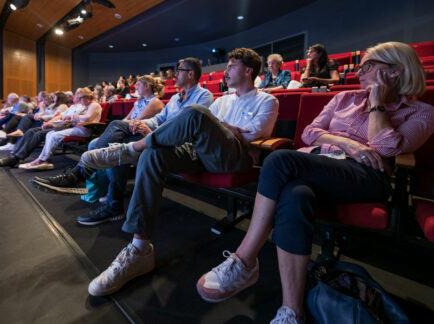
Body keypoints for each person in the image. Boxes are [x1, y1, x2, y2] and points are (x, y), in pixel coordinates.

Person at [196, 41, 434, 323]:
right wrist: (350, 144)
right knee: (295, 194)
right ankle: (291, 311)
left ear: (396, 71)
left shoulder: (422, 112)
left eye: (369, 65)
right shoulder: (344, 98)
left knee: (279, 160)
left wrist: (377, 104)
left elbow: (386, 148)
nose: (359, 71)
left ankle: (245, 259)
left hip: (365, 178)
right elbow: (310, 132)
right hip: (319, 165)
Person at [48, 48, 278, 297]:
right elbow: (208, 129)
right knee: (153, 154)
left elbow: (252, 135)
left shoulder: (266, 100)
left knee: (194, 112)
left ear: (248, 71)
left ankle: (129, 150)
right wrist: (219, 127)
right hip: (200, 151)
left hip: (233, 158)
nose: (226, 70)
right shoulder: (223, 100)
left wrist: (217, 126)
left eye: (232, 66)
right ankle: (139, 250)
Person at [32, 60, 213, 224]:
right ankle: (107, 199)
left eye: (180, 70)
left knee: (113, 137)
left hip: (177, 144)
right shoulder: (175, 98)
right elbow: (159, 118)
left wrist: (151, 131)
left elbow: (185, 126)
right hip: (155, 135)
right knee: (118, 129)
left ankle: (83, 179)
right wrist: (139, 123)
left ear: (191, 74)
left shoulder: (204, 96)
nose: (175, 74)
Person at [18, 88, 102, 170]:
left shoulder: (94, 105)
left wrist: (72, 117)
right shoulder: (86, 105)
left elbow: (87, 118)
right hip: (77, 128)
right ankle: (45, 160)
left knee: (54, 135)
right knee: (49, 133)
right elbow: (79, 118)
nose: (79, 100)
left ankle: (41, 160)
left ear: (86, 97)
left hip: (84, 130)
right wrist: (69, 119)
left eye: (80, 98)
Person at [0, 91, 71, 168]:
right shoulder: (55, 105)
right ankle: (15, 154)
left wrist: (42, 117)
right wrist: (40, 115)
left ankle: (16, 158)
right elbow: (49, 113)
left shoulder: (63, 106)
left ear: (59, 98)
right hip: (49, 123)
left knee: (36, 132)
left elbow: (57, 116)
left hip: (56, 126)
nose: (52, 98)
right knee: (30, 131)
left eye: (54, 97)